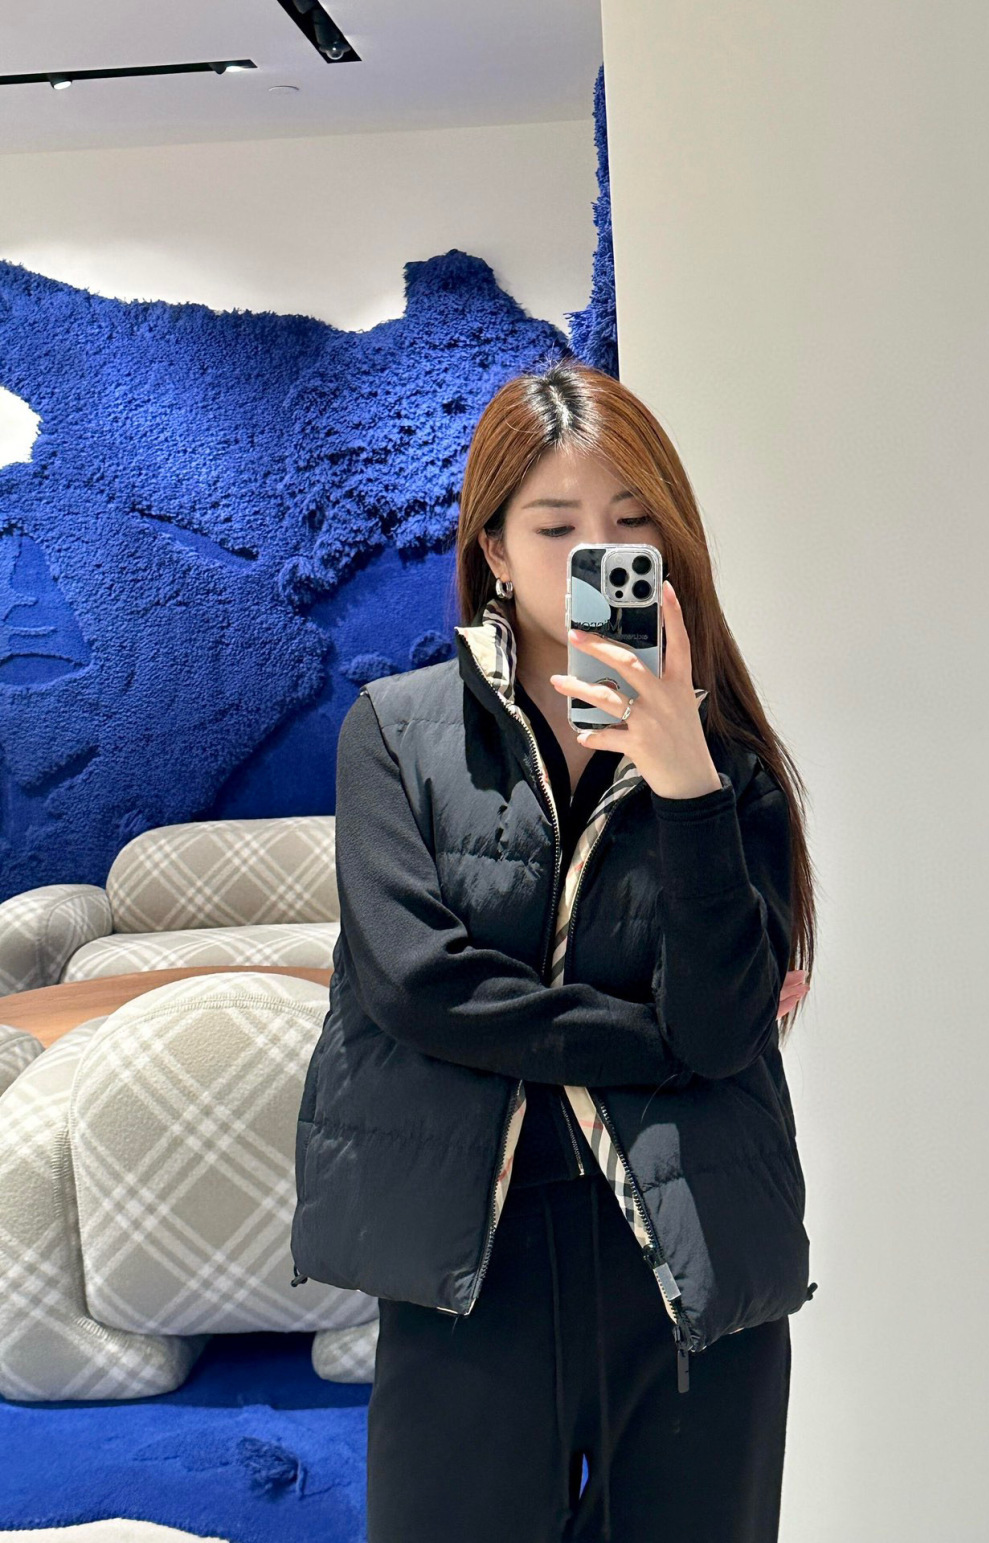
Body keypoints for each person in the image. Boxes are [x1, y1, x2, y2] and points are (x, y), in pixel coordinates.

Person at [290, 359, 818, 1543]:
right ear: (492, 547)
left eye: (633, 523)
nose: (599, 552)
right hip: (469, 1267)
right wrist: (657, 1044)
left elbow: (726, 1026)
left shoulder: (727, 764)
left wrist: (685, 786)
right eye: (557, 525)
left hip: (688, 1266)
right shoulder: (395, 734)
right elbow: (419, 985)